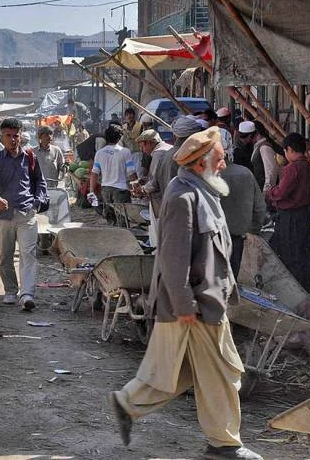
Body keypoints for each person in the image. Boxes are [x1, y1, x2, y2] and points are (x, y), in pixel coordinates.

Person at [109, 127, 263, 460]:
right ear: (201, 163)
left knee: (185, 372)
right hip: (196, 304)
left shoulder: (204, 189)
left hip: (207, 301)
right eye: (220, 159)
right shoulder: (182, 197)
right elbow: (172, 258)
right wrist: (184, 304)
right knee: (223, 374)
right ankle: (224, 444)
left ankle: (128, 403)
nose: (223, 166)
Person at [0, 118, 48, 311]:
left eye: (16, 136)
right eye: (8, 136)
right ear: (2, 137)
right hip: (4, 216)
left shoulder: (30, 157)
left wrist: (37, 202)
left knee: (28, 254)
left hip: (26, 213)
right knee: (5, 256)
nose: (12, 139)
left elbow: (41, 183)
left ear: (20, 136)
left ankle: (27, 293)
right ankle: (11, 290)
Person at [266, 133, 310, 292]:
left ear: (289, 149)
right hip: (305, 216)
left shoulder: (293, 168)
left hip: (290, 218)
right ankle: (307, 290)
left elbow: (281, 192)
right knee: (305, 255)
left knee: (291, 256)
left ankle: (294, 293)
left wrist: (270, 192)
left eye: (285, 151)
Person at [220, 159, 266, 278]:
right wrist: (254, 229)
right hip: (237, 236)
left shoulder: (205, 175)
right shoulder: (245, 173)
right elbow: (259, 207)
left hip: (213, 238)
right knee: (232, 278)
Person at [90, 124, 135, 223]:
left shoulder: (99, 153)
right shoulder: (125, 152)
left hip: (106, 191)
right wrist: (135, 189)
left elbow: (94, 174)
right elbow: (131, 173)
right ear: (120, 137)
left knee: (111, 221)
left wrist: (91, 191)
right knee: (123, 222)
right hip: (121, 192)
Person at [133, 130, 172, 246]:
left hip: (161, 199)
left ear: (149, 143)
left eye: (142, 146)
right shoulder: (168, 148)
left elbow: (154, 183)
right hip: (170, 194)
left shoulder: (158, 153)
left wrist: (141, 189)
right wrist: (144, 180)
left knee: (160, 233)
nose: (142, 150)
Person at [250, 122, 280, 193]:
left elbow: (270, 171)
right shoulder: (258, 146)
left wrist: (267, 191)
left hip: (264, 190)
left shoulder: (264, 148)